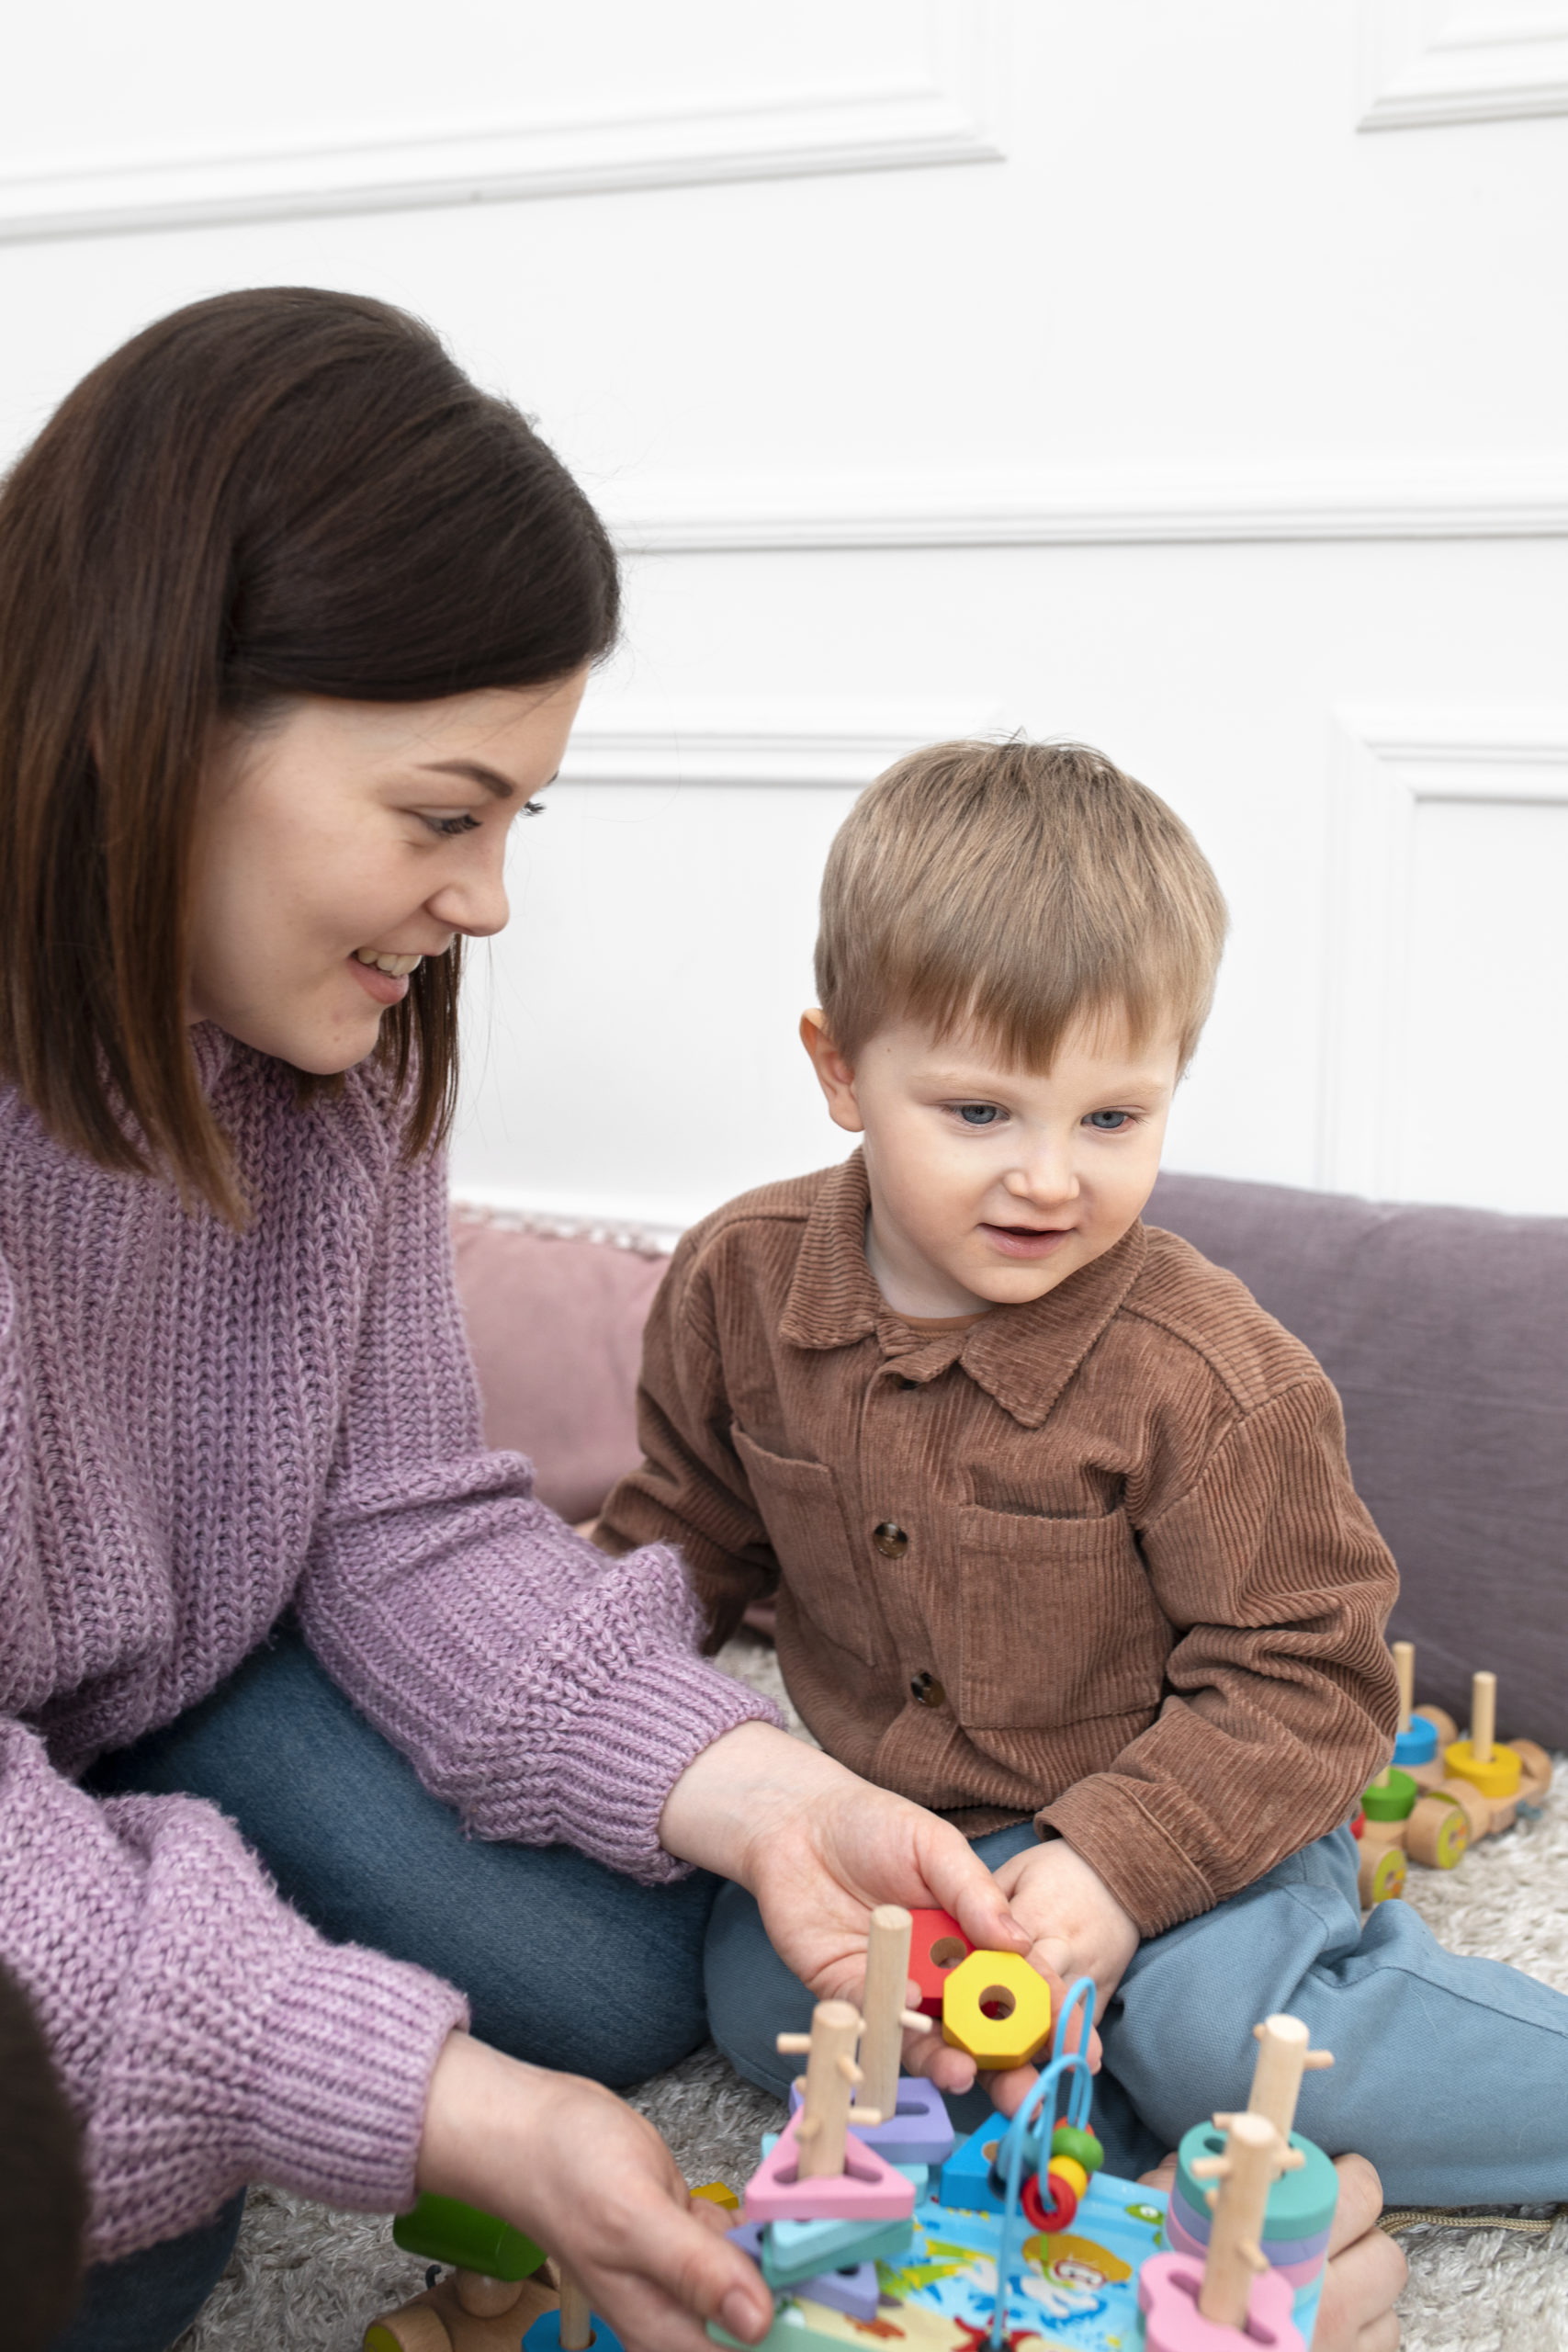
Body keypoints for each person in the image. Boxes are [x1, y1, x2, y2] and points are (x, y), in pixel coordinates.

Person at [0, 290, 1049, 2352]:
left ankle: (149, 1875)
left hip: (157, 1665)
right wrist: (423, 2096)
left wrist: (755, 1787)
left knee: (611, 1969)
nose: (482, 899)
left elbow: (401, 1519)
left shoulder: (349, 1053)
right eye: (440, 811)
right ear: (158, 720)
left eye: (513, 825)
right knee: (115, 2228)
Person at [597, 741, 1568, 2217]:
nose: (1051, 1179)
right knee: (769, 2005)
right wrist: (567, 1692)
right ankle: (1064, 2096)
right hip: (896, 1826)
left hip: (1193, 1818)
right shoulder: (738, 1280)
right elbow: (681, 1535)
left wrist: (1115, 1874)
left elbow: (1311, 1683)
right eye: (981, 1114)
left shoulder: (1209, 1374)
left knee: (1223, 2040)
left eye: (1111, 1119)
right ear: (840, 1068)